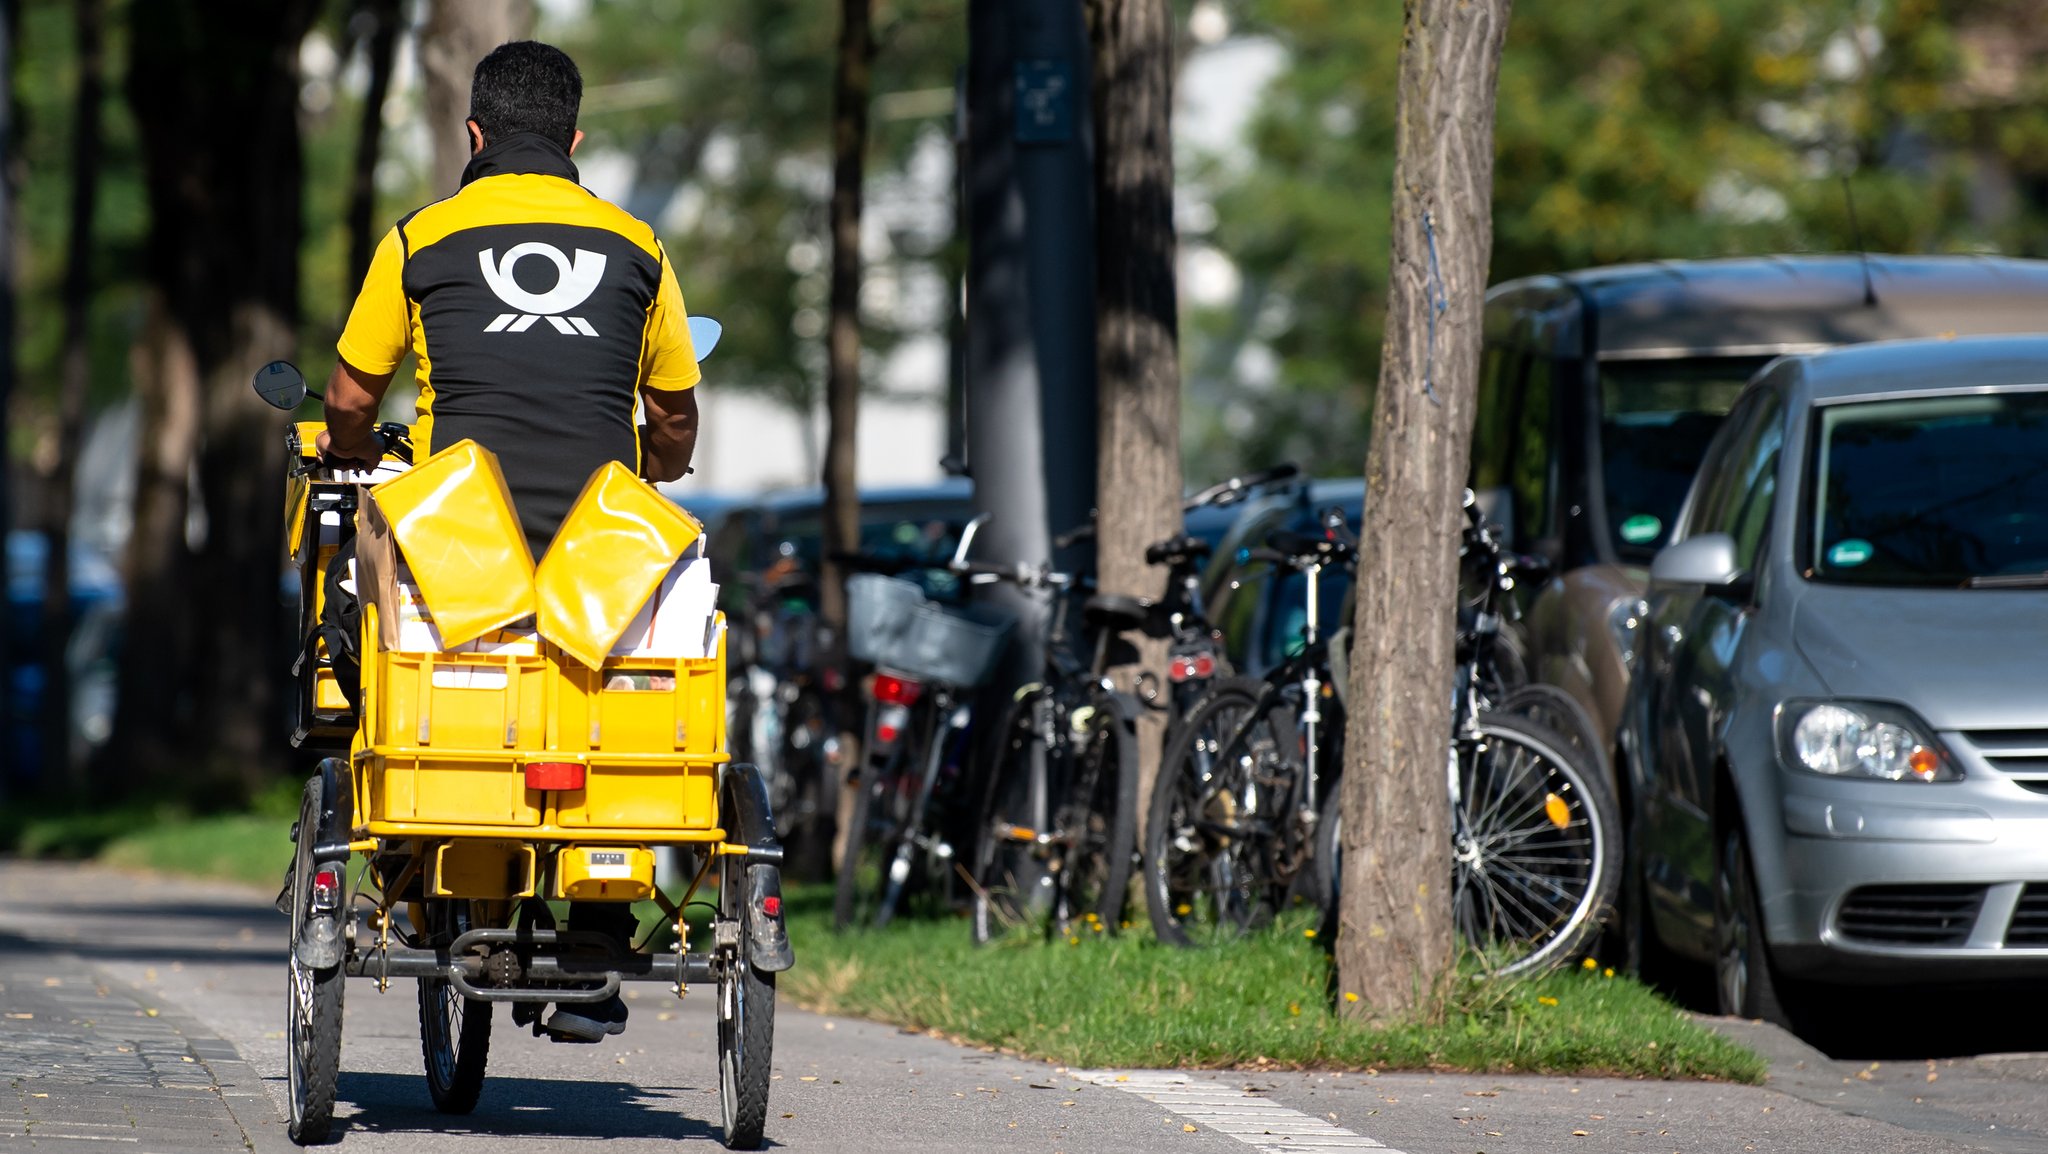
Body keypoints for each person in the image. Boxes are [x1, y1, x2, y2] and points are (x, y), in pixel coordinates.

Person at [320, 40, 698, 1044]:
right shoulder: (637, 246)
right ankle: (602, 914)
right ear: (575, 139)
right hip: (600, 541)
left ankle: (458, 883)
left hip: (465, 538)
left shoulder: (421, 237)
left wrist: (352, 447)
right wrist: (656, 466)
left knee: (361, 558)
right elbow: (672, 417)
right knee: (621, 667)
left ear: (473, 134)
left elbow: (352, 396)